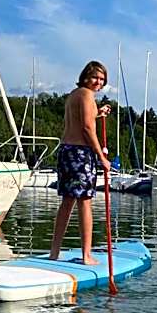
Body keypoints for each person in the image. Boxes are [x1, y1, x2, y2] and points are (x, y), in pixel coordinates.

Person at [49, 61, 111, 265]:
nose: (98, 82)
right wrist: (101, 157)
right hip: (79, 154)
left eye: (102, 79)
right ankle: (86, 255)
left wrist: (98, 113)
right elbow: (86, 128)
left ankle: (54, 252)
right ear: (85, 77)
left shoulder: (74, 95)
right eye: (95, 77)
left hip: (66, 151)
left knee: (67, 203)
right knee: (85, 202)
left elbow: (81, 119)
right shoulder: (86, 95)